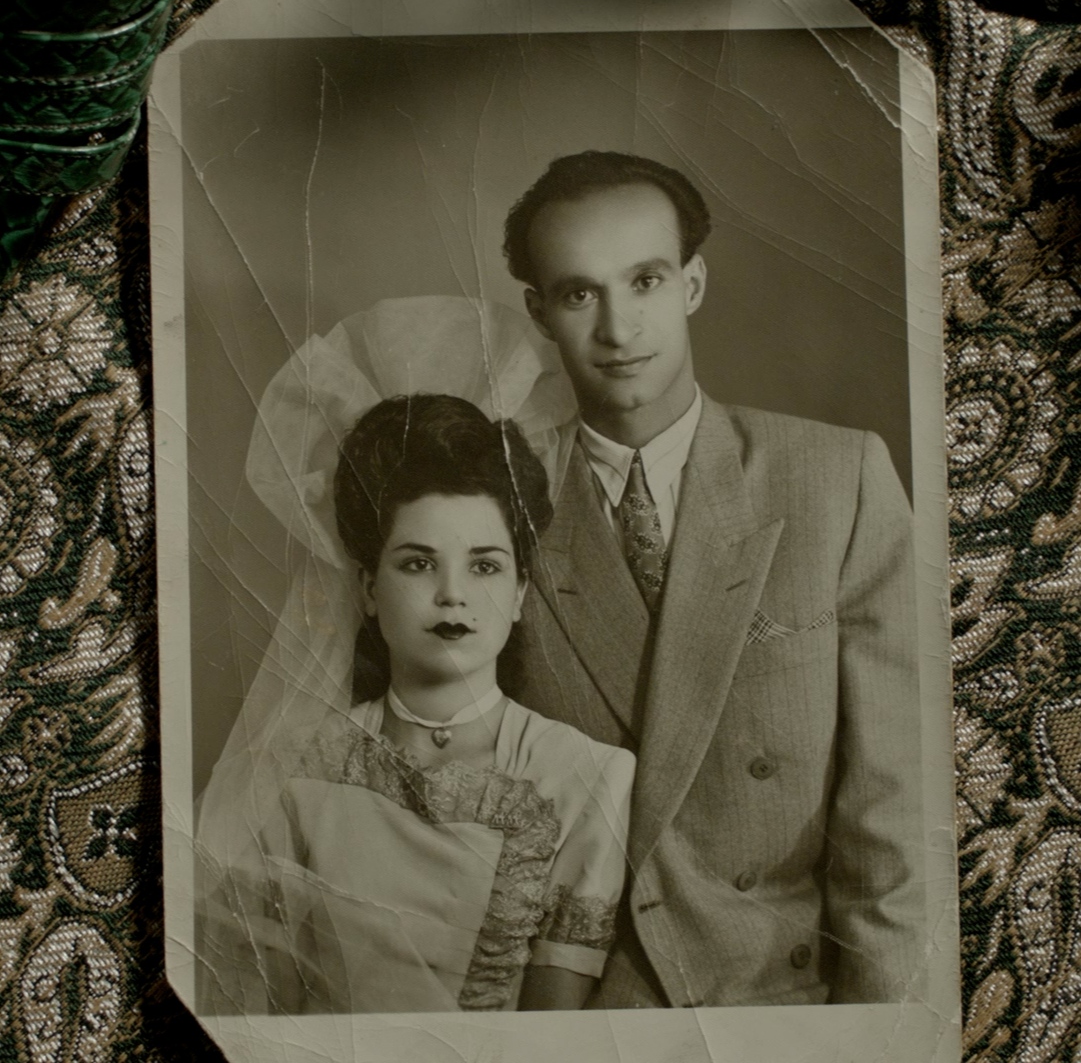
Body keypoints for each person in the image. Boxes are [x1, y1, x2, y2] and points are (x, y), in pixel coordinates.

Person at [500, 150, 923, 1008]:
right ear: (538, 312)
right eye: (580, 294)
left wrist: (877, 1037)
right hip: (585, 1013)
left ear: (691, 285)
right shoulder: (499, 508)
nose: (619, 329)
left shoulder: (835, 479)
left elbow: (893, 820)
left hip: (786, 1004)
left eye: (645, 281)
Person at [199, 386, 634, 1015]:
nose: (452, 594)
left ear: (519, 593)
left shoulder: (586, 776)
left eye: (484, 566)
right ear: (369, 590)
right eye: (417, 564)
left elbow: (552, 1033)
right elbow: (272, 1009)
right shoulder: (297, 766)